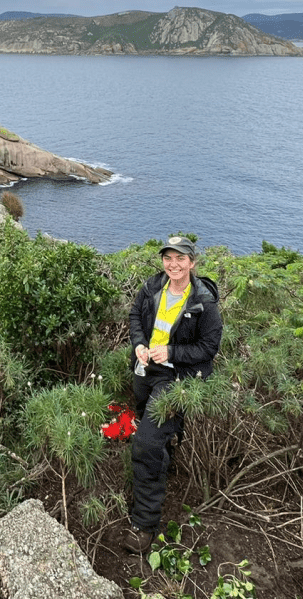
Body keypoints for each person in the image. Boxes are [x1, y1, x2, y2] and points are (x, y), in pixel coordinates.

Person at [124, 235, 222, 554]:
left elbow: (208, 349)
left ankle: (145, 524)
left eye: (181, 258)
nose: (173, 264)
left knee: (147, 441)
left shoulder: (203, 301)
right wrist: (139, 344)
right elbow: (136, 317)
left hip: (176, 378)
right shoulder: (153, 286)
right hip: (146, 371)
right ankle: (164, 460)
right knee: (152, 433)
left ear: (192, 263)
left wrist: (172, 353)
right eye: (168, 257)